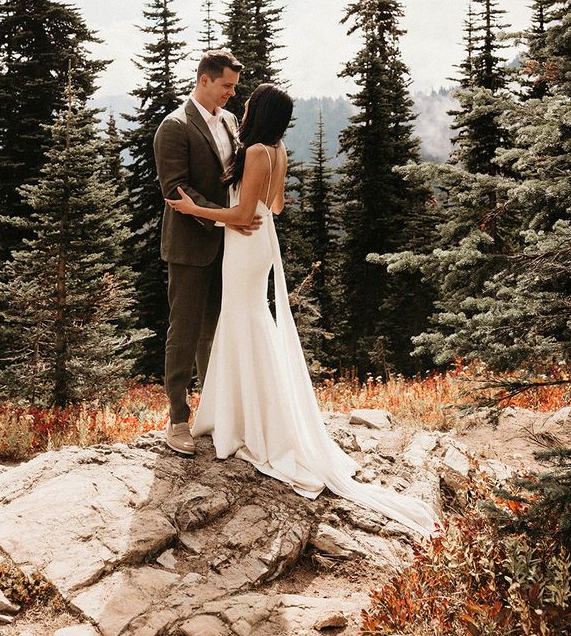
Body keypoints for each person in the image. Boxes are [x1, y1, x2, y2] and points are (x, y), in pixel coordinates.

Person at [166, 83, 437, 538]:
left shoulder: (254, 151)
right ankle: (241, 413)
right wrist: (247, 212)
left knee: (243, 319)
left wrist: (197, 208)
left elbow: (243, 214)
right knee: (247, 320)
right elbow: (275, 206)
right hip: (260, 242)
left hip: (244, 243)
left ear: (261, 112)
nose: (244, 105)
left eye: (250, 102)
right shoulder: (276, 149)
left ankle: (249, 421)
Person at [153, 49, 262, 456]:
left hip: (231, 244)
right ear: (204, 80)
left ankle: (215, 414)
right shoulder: (174, 126)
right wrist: (225, 218)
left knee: (217, 329)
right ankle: (177, 419)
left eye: (234, 87)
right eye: (226, 86)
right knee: (184, 331)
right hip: (190, 244)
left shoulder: (231, 120)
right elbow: (175, 190)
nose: (232, 94)